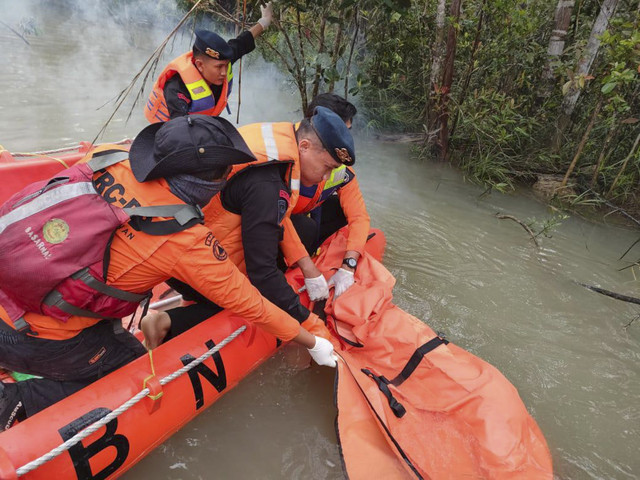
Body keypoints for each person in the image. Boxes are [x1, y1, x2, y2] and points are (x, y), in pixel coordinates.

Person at [0, 115, 336, 430]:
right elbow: (253, 304)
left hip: (14, 285)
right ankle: (12, 403)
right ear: (205, 187)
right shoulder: (182, 238)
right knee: (132, 375)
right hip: (31, 333)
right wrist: (311, 340)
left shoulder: (110, 156)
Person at [140, 107, 356, 348]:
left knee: (302, 230)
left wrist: (305, 265)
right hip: (188, 259)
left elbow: (278, 218)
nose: (326, 178)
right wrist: (311, 327)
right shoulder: (267, 184)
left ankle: (191, 300)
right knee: (251, 298)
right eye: (326, 167)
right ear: (304, 146)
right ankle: (166, 322)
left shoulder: (274, 145)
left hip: (178, 238)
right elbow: (262, 273)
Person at [286, 93, 370, 299]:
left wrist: (349, 265)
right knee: (305, 227)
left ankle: (311, 254)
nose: (346, 139)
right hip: (271, 223)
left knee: (337, 209)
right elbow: (273, 216)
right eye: (341, 131)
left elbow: (359, 217)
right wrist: (306, 266)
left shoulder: (340, 169)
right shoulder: (285, 155)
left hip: (300, 216)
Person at [145, 3, 273, 122]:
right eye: (219, 67)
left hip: (202, 124)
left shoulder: (221, 59)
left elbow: (241, 42)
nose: (224, 72)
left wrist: (265, 21)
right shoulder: (177, 89)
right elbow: (179, 130)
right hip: (167, 132)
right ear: (200, 65)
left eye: (226, 65)